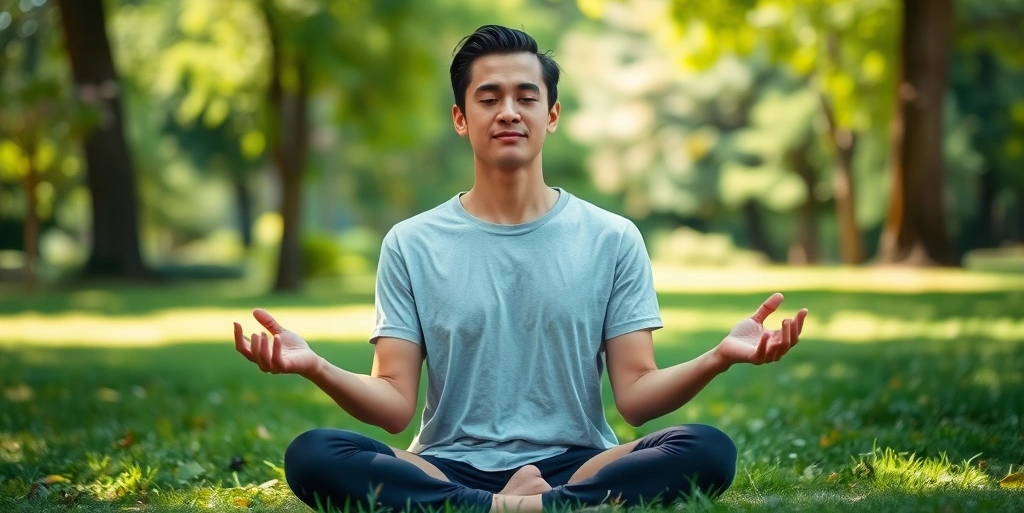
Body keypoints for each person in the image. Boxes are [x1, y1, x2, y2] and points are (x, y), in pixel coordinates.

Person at [232, 25, 808, 513]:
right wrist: (316, 368)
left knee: (708, 449)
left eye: (526, 97)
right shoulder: (411, 242)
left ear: (551, 114)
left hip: (580, 463)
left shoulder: (612, 238)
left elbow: (634, 395)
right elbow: (394, 403)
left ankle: (510, 508)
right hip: (446, 465)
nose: (508, 111)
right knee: (312, 455)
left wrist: (718, 358)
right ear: (461, 118)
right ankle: (511, 508)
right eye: (488, 97)